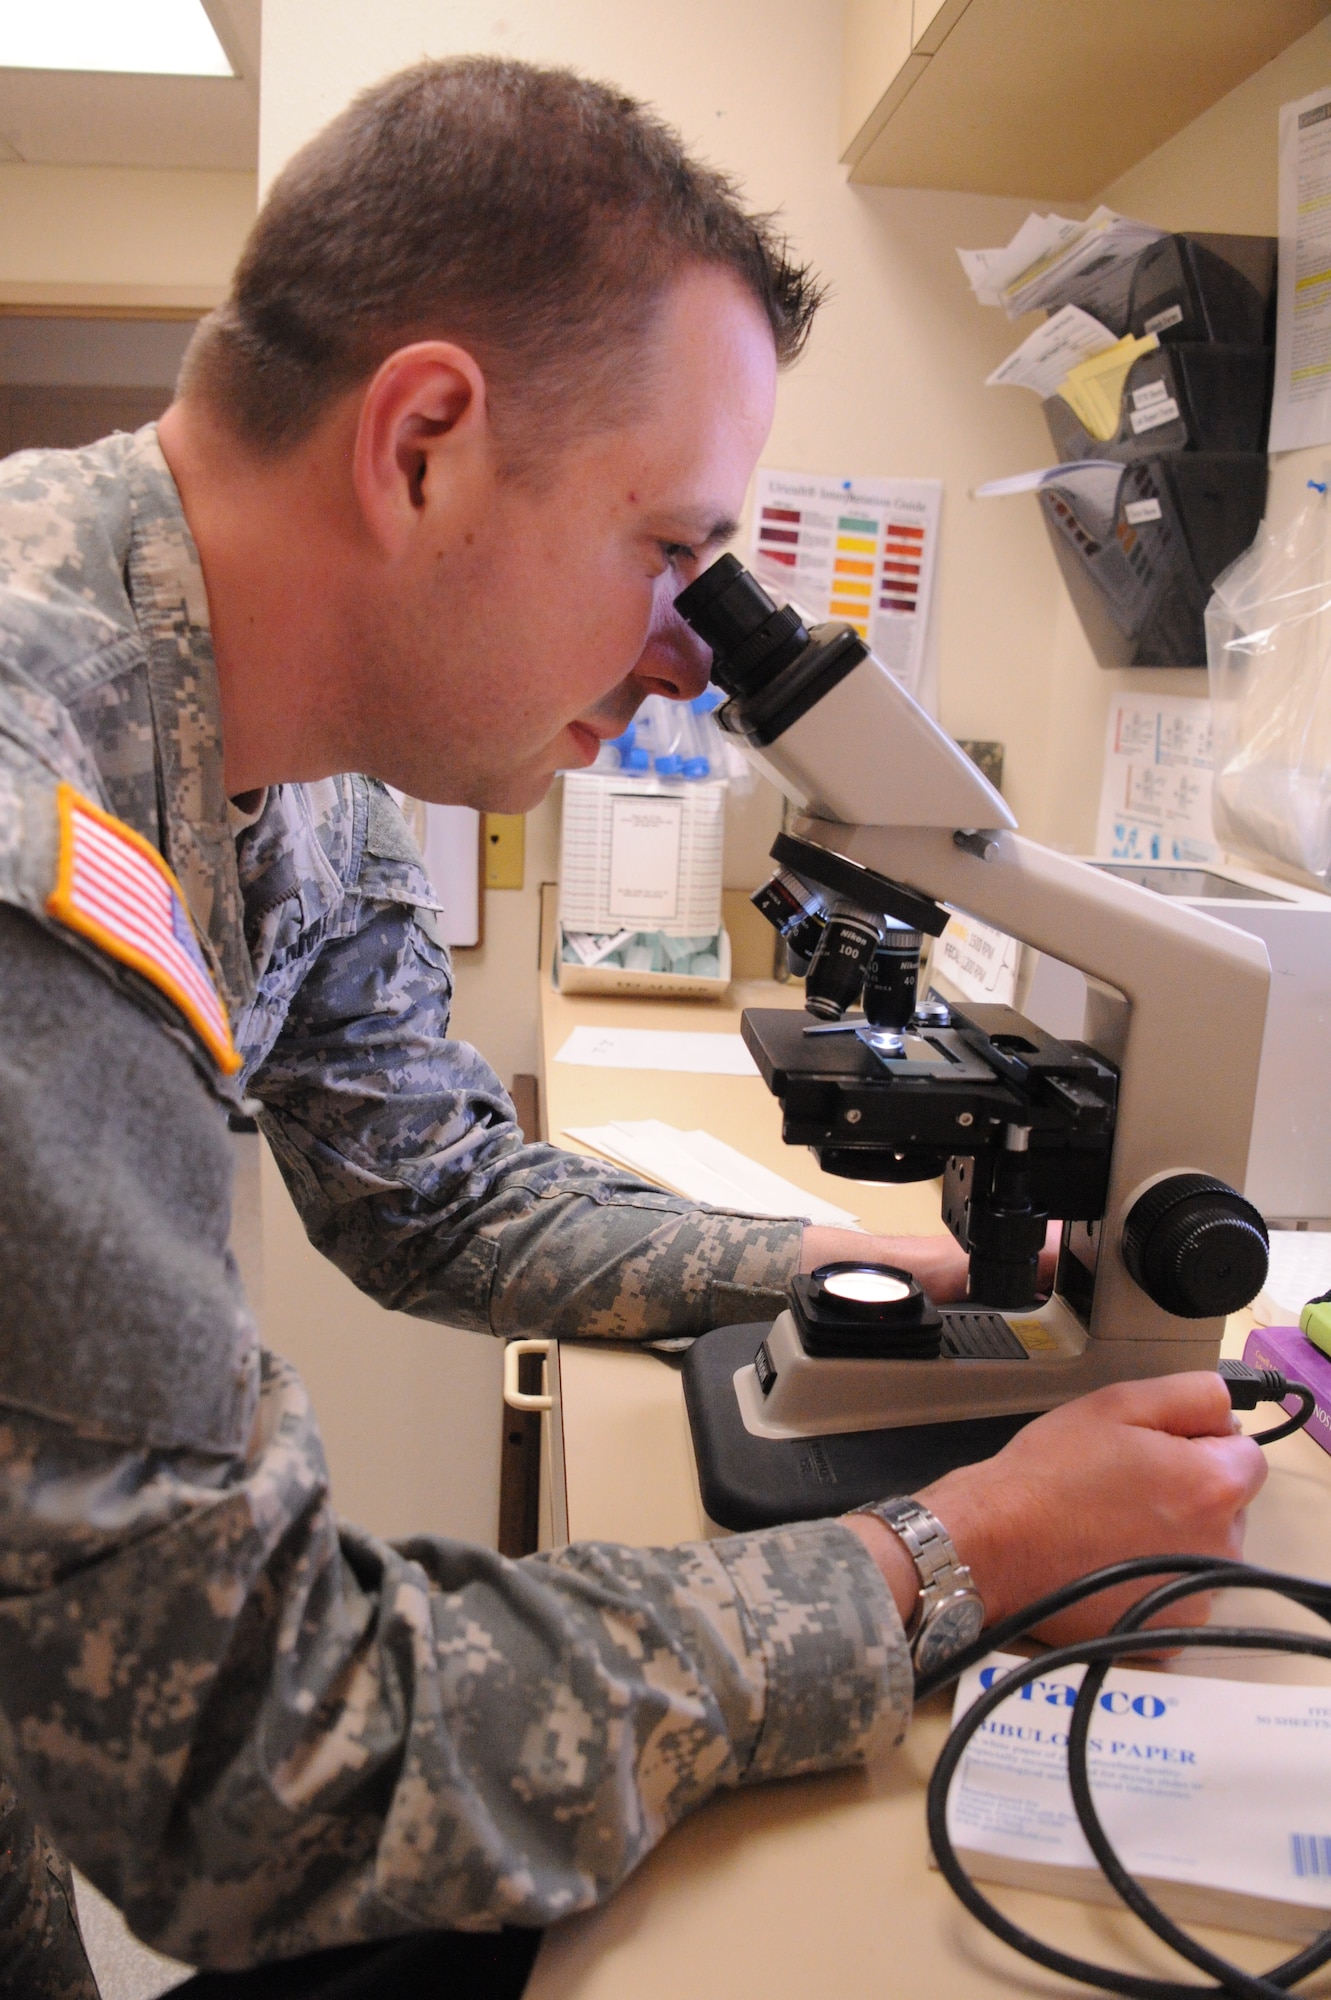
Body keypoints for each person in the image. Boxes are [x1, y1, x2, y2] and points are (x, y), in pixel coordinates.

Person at [0, 56, 1265, 2000]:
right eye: (669, 548)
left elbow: (431, 1191)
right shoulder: (27, 848)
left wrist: (863, 1262)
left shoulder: (293, 747)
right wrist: (961, 1553)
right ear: (421, 441)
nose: (693, 655)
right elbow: (263, 1767)